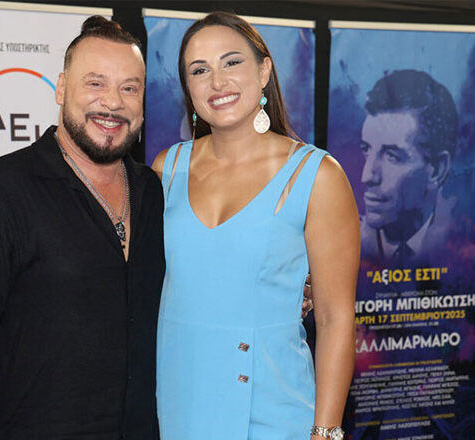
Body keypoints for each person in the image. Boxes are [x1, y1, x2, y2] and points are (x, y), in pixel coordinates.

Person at [0, 16, 165, 440]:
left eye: (129, 88)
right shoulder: (4, 190)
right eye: (95, 83)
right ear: (61, 89)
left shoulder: (153, 192)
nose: (112, 102)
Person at [152, 12, 359, 440]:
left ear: (264, 71)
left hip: (274, 410)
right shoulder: (166, 169)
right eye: (199, 70)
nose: (217, 82)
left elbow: (335, 318)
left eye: (232, 62)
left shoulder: (317, 176)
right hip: (177, 403)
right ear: (188, 88)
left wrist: (325, 432)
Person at [358, 69, 456, 267]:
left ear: (437, 170)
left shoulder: (461, 248)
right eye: (367, 151)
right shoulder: (341, 245)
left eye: (392, 156)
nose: (367, 176)